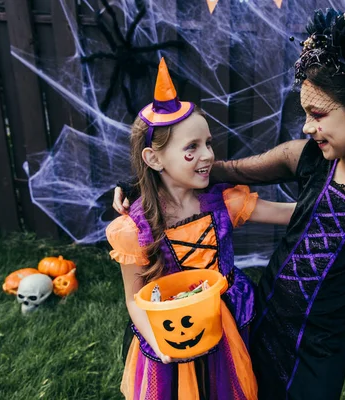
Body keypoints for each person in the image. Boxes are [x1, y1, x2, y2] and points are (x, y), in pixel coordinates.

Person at [114, 9, 345, 399]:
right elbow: (219, 170)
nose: (305, 126)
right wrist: (143, 185)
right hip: (260, 322)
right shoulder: (307, 156)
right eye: (305, 113)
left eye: (317, 114)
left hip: (320, 353)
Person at [106, 58, 295, 400]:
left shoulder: (223, 203)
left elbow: (288, 214)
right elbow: (135, 300)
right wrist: (158, 341)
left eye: (208, 143)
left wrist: (342, 200)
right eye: (191, 148)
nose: (208, 155)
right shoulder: (134, 229)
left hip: (229, 322)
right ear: (154, 159)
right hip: (171, 330)